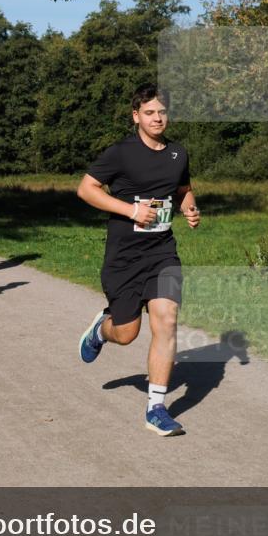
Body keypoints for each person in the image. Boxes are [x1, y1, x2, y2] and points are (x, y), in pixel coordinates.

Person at [76, 83, 200, 437]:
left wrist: (189, 207)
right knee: (127, 333)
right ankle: (101, 330)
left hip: (162, 251)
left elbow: (182, 189)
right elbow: (86, 189)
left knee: (167, 319)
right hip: (125, 256)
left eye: (162, 112)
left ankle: (156, 408)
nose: (157, 118)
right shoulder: (120, 153)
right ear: (136, 117)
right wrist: (131, 210)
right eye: (149, 112)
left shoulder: (178, 153)